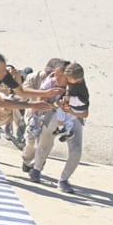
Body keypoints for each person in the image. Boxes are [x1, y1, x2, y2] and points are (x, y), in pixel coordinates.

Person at [25, 61, 89, 194]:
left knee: (76, 151)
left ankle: (64, 180)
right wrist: (57, 103)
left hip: (73, 117)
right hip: (53, 115)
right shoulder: (51, 84)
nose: (57, 79)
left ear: (69, 77)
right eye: (56, 75)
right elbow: (43, 103)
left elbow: (85, 112)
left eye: (60, 76)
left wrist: (72, 111)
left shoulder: (79, 86)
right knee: (45, 143)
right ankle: (36, 169)